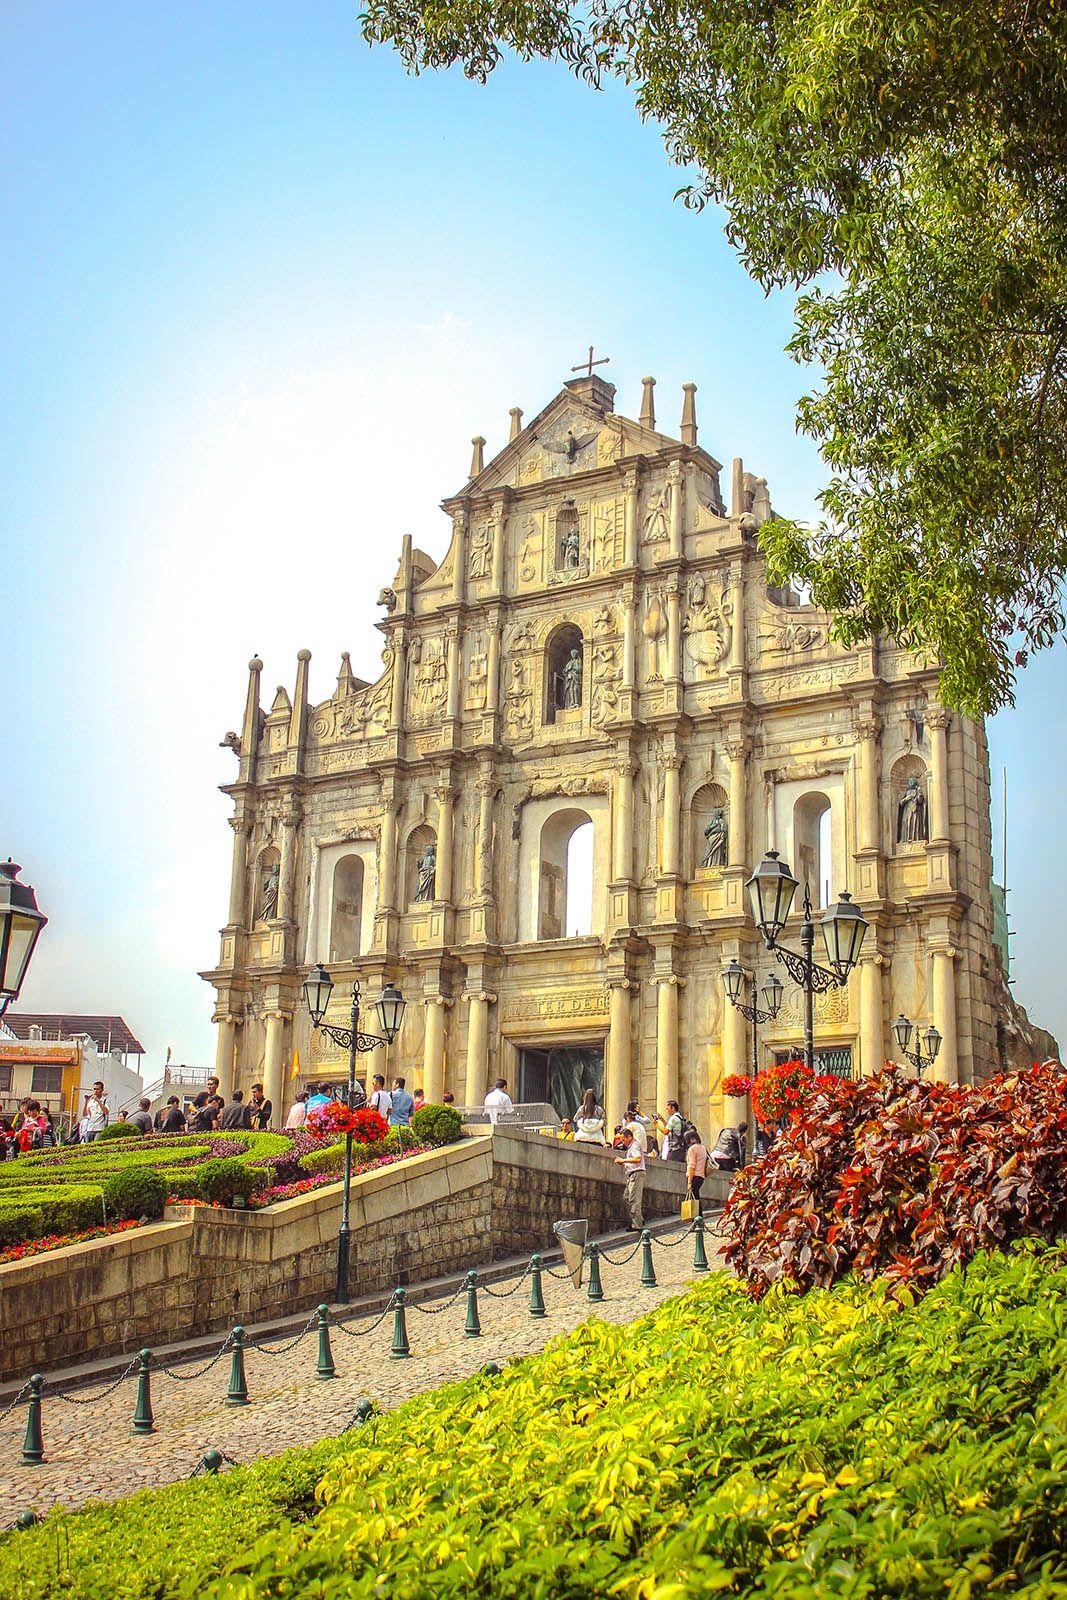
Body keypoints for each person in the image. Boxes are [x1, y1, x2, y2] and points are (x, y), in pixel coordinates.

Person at [614, 1128, 646, 1231]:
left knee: (634, 1200)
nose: (623, 1142)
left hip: (637, 1173)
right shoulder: (631, 1147)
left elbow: (638, 1158)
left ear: (630, 1137)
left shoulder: (635, 1145)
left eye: (624, 1139)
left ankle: (637, 1224)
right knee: (627, 1197)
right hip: (631, 1174)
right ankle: (639, 1218)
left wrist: (623, 1160)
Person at [684, 1128, 709, 1211]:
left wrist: (689, 1182)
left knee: (694, 1200)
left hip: (694, 1176)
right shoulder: (703, 1148)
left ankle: (697, 1219)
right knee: (696, 1198)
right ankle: (699, 1218)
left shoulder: (692, 1149)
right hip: (701, 1176)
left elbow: (692, 1166)